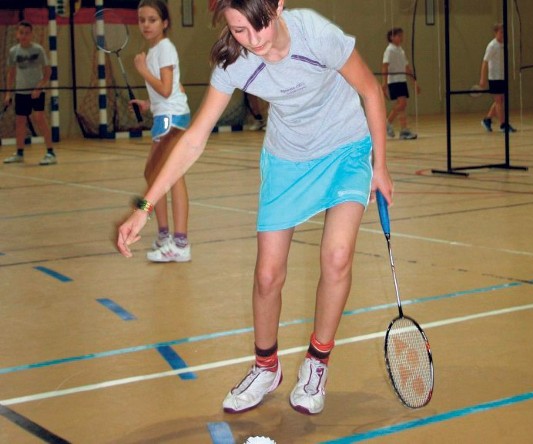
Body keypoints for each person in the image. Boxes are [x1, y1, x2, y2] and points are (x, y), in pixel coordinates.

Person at [117, 0, 393, 415]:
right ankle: (266, 367)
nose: (253, 40)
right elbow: (192, 139)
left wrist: (381, 166)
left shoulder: (315, 34)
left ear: (278, 5)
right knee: (267, 275)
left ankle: (317, 364)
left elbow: (370, 90)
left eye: (257, 26)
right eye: (239, 30)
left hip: (345, 148)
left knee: (336, 257)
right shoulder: (236, 63)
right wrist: (143, 206)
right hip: (287, 159)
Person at [130, 0, 191, 262]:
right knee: (154, 175)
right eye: (142, 19)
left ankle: (179, 242)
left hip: (172, 120)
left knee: (167, 176)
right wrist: (149, 103)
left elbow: (167, 89)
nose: (146, 24)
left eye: (152, 19)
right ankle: (166, 235)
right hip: (164, 115)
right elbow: (176, 88)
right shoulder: (154, 49)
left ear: (164, 23)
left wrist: (142, 71)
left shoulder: (164, 48)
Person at [3, 21, 57, 165]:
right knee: (20, 121)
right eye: (21, 33)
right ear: (17, 34)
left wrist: (39, 88)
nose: (24, 36)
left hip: (36, 92)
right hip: (21, 92)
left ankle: (50, 152)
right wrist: (8, 93)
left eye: (27, 33)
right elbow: (11, 73)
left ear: (31, 34)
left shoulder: (38, 50)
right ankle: (19, 153)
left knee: (39, 118)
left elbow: (48, 72)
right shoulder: (13, 51)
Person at [381, 27, 419, 140]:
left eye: (402, 35)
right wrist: (384, 83)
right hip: (394, 80)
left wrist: (414, 82)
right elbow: (385, 66)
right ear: (392, 37)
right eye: (399, 36)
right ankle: (387, 124)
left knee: (402, 106)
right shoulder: (389, 50)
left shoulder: (400, 50)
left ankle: (404, 130)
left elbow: (407, 68)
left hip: (402, 80)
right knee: (402, 104)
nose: (401, 38)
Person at [479, 23, 516, 133]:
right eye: (501, 32)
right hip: (494, 77)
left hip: (502, 76)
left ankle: (487, 119)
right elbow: (485, 62)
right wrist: (483, 79)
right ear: (496, 33)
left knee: (500, 100)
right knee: (499, 100)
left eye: (504, 32)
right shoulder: (492, 46)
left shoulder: (504, 44)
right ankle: (503, 125)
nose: (503, 34)